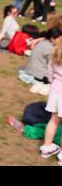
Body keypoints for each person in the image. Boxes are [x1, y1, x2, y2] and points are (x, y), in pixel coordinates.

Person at [39, 37, 62, 165]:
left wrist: (53, 82)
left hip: (55, 91)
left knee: (53, 121)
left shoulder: (55, 51)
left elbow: (50, 71)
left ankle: (47, 148)